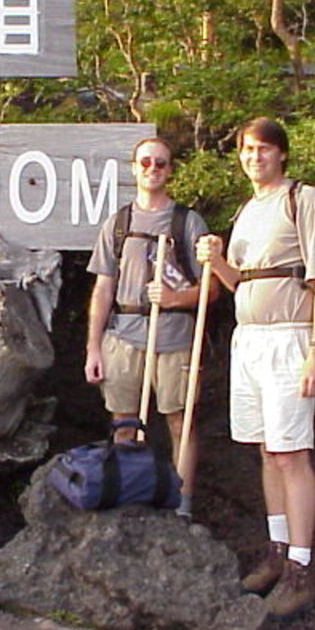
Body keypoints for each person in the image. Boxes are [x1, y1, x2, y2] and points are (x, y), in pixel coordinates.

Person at [196, 117, 315, 618]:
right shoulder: (248, 210)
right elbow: (241, 283)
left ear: (281, 154)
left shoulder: (304, 199)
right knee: (266, 450)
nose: (253, 157)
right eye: (246, 150)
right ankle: (277, 554)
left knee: (291, 453)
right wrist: (215, 260)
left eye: (263, 149)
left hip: (290, 339)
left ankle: (301, 570)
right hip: (249, 341)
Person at [85, 136, 217, 522]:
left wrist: (174, 299)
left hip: (175, 339)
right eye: (145, 163)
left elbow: (211, 290)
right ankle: (128, 496)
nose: (152, 170)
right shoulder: (118, 223)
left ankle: (183, 506)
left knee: (181, 421)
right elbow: (103, 287)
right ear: (134, 168)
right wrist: (94, 347)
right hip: (123, 337)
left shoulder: (188, 222)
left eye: (160, 164)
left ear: (170, 170)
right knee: (124, 422)